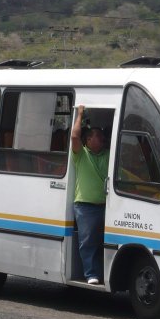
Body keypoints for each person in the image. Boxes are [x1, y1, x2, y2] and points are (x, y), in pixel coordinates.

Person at [71, 105, 109, 285]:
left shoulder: (108, 154)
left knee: (104, 242)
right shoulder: (81, 154)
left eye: (103, 137)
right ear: (88, 140)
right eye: (98, 137)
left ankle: (102, 273)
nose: (102, 139)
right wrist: (79, 115)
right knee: (87, 242)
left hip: (106, 205)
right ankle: (90, 274)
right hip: (85, 206)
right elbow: (74, 136)